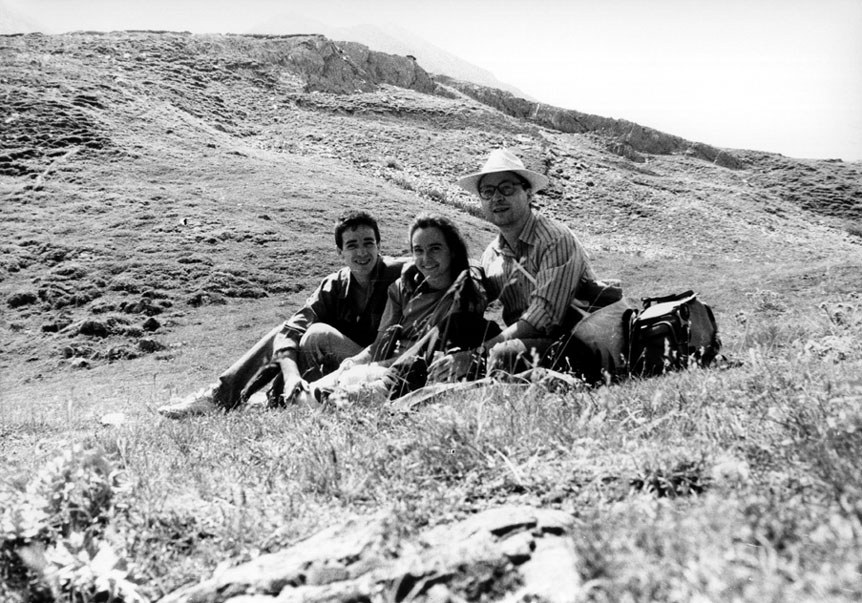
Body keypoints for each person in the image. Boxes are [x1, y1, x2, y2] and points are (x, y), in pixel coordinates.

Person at [157, 210, 405, 418]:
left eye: (368, 243)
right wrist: (291, 374)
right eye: (352, 245)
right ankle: (230, 397)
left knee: (317, 335)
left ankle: (232, 398)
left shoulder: (400, 271)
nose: (362, 252)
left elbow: (435, 261)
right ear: (340, 253)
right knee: (287, 333)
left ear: (379, 245)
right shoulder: (334, 285)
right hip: (345, 368)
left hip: (382, 364)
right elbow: (292, 329)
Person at [429, 148, 603, 382]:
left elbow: (541, 322)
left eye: (506, 188)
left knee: (500, 355)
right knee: (458, 324)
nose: (497, 198)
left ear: (528, 194)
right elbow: (475, 302)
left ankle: (466, 380)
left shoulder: (554, 239)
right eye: (487, 192)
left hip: (573, 345)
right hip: (526, 346)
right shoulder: (491, 255)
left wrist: (477, 354)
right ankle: (417, 379)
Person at [311, 213, 492, 401]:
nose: (426, 258)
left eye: (435, 249)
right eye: (418, 251)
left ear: (452, 250)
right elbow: (380, 344)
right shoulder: (402, 288)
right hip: (388, 365)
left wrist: (373, 369)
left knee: (339, 393)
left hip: (415, 370)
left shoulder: (466, 293)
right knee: (310, 394)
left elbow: (473, 266)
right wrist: (355, 362)